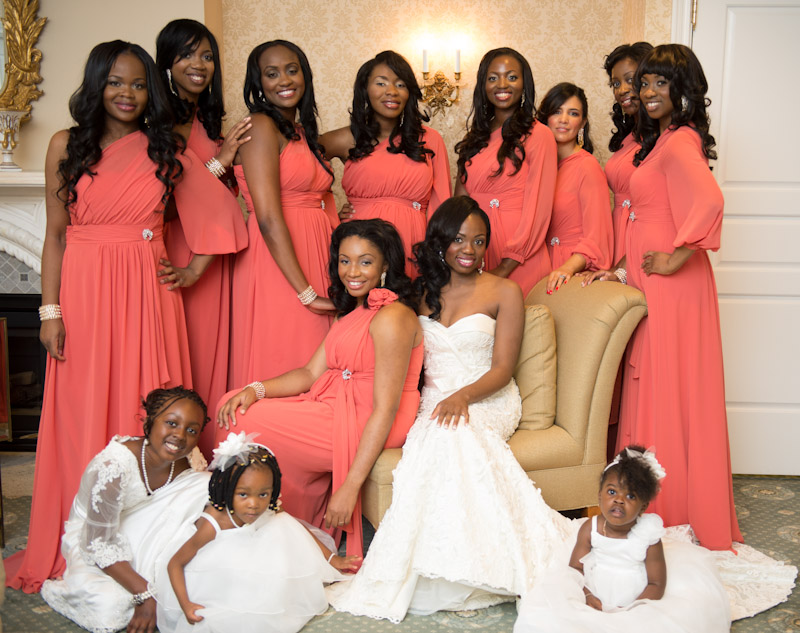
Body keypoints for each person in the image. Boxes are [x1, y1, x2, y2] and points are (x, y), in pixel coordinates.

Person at [5, 41, 245, 593]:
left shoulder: (165, 147)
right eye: (115, 82)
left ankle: (145, 542)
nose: (127, 93)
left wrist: (193, 269)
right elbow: (55, 235)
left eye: (138, 84)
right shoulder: (66, 144)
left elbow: (215, 208)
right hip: (84, 288)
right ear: (96, 84)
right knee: (81, 408)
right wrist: (49, 310)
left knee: (146, 401)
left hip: (146, 291)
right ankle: (82, 541)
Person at [327, 197, 575, 622]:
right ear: (440, 241)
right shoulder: (420, 292)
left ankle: (492, 563)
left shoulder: (505, 291)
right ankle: (447, 563)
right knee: (439, 433)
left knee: (453, 432)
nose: (470, 250)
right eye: (459, 239)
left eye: (479, 241)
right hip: (432, 400)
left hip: (488, 397)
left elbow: (503, 369)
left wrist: (463, 397)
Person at [585, 44, 742, 550]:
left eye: (661, 83)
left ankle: (673, 509)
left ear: (683, 89)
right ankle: (655, 503)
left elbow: (710, 200)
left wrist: (677, 255)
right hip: (650, 278)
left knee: (668, 384)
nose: (648, 92)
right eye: (645, 83)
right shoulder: (661, 139)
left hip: (673, 284)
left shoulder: (681, 140)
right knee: (654, 383)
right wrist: (623, 265)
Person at [217, 219, 423, 559]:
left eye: (365, 261)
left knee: (241, 421)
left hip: (370, 416)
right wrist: (255, 389)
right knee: (235, 402)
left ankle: (267, 534)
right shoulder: (349, 315)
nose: (352, 272)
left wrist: (350, 487)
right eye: (345, 261)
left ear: (386, 265)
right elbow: (310, 373)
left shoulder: (393, 317)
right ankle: (282, 527)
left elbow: (385, 408)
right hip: (334, 404)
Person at [39, 387, 212, 633]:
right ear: (151, 420)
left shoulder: (189, 458)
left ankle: (157, 575)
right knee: (112, 608)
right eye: (171, 423)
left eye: (191, 430)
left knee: (205, 484)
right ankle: (62, 589)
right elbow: (97, 544)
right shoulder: (114, 466)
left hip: (145, 526)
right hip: (95, 538)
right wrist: (146, 594)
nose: (180, 435)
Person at [155, 20, 250, 456]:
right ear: (166, 62)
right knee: (186, 350)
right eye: (187, 54)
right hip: (183, 244)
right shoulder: (163, 120)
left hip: (214, 249)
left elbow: (220, 191)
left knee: (211, 352)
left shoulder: (203, 117)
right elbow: (167, 196)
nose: (199, 64)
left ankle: (209, 453)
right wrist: (221, 162)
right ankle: (179, 454)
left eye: (207, 56)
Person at [514, 446, 731, 632]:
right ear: (599, 496)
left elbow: (656, 583)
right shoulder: (590, 529)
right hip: (595, 589)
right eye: (611, 492)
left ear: (643, 507)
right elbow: (575, 569)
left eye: (630, 496)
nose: (619, 500)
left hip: (637, 597)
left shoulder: (648, 535)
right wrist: (587, 595)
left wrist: (635, 610)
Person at [156, 432, 356, 633]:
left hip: (249, 554)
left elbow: (299, 532)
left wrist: (331, 559)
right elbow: (175, 563)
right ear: (228, 491)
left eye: (263, 494)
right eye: (243, 494)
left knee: (281, 521)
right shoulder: (213, 523)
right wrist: (186, 605)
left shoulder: (267, 506)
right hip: (216, 574)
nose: (254, 504)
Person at [228, 40, 338, 389]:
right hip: (279, 262)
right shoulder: (260, 126)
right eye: (272, 74)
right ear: (258, 83)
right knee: (287, 353)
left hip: (314, 252)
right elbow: (267, 217)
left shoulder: (300, 133)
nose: (284, 80)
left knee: (318, 360)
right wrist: (305, 292)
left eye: (292, 70)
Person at [320, 50, 451, 277]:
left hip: (413, 245)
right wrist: (329, 214)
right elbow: (299, 170)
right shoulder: (347, 138)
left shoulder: (430, 139)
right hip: (360, 247)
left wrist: (437, 258)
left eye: (400, 84)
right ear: (365, 89)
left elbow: (441, 205)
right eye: (381, 83)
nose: (391, 91)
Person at [454, 47, 557, 296]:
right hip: (476, 249)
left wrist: (504, 267)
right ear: (483, 85)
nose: (502, 85)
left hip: (520, 258)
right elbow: (459, 204)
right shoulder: (474, 138)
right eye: (493, 78)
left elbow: (538, 209)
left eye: (511, 77)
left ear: (524, 84)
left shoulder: (539, 135)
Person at [537, 83, 613, 294]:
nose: (563, 119)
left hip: (569, 270)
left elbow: (597, 237)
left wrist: (566, 269)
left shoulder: (587, 167)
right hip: (540, 265)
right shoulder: (540, 167)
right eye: (557, 111)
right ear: (546, 118)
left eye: (573, 113)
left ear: (582, 123)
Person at [603, 42, 654, 267]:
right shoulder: (628, 138)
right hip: (618, 236)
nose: (622, 89)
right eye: (616, 83)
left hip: (642, 243)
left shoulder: (664, 137)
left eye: (630, 80)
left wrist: (622, 268)